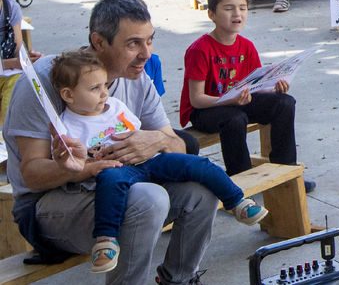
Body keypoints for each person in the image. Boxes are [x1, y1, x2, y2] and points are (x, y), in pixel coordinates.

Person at [2, 0, 219, 285]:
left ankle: (178, 279)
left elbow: (177, 145)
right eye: (133, 43)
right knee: (149, 198)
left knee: (201, 191)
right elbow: (31, 177)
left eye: (149, 40)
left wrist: (155, 140)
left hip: (123, 187)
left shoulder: (137, 78)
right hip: (48, 206)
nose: (146, 54)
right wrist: (74, 167)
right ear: (99, 42)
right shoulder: (47, 81)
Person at [50, 48, 266, 274]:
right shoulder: (66, 125)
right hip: (118, 170)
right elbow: (76, 161)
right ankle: (106, 240)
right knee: (109, 180)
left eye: (105, 85)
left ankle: (237, 201)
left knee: (197, 164)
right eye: (95, 88)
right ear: (68, 95)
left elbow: (137, 131)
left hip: (149, 161)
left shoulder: (115, 106)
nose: (104, 93)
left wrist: (144, 141)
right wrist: (89, 159)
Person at [181, 0, 315, 196]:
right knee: (235, 118)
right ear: (211, 14)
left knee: (284, 103)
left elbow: (256, 85)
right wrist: (230, 100)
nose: (237, 14)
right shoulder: (200, 49)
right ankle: (240, 179)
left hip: (239, 101)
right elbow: (196, 99)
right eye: (228, 8)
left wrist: (275, 87)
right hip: (207, 110)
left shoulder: (247, 46)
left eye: (242, 8)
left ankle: (285, 171)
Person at [0, 0, 35, 127]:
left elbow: (17, 51)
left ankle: (6, 139)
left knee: (21, 79)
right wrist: (13, 63)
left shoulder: (10, 7)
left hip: (5, 77)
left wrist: (28, 59)